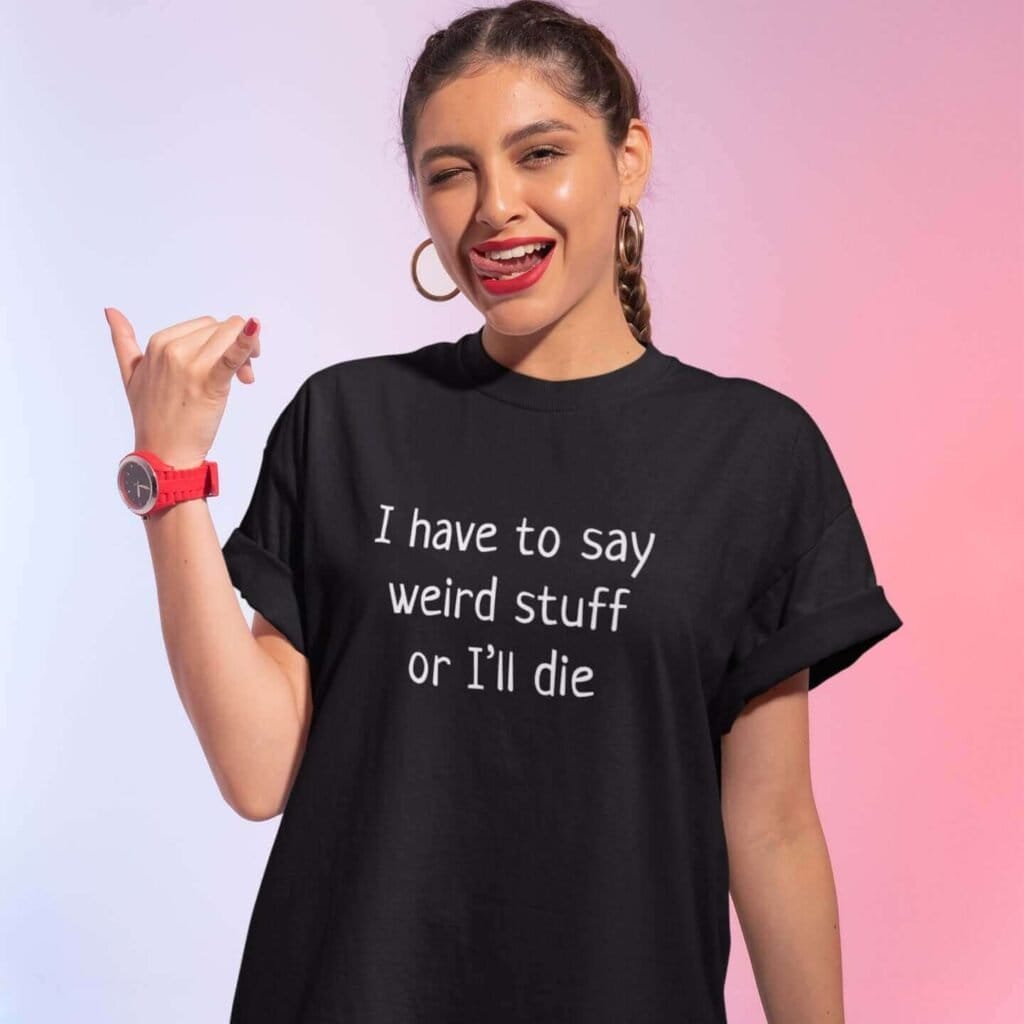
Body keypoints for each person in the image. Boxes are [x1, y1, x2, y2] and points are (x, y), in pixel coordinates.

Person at [108, 2, 903, 1020]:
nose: (494, 207)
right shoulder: (348, 422)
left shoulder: (751, 454)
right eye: (450, 171)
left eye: (539, 153)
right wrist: (169, 474)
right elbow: (259, 771)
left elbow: (774, 825)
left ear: (626, 162)